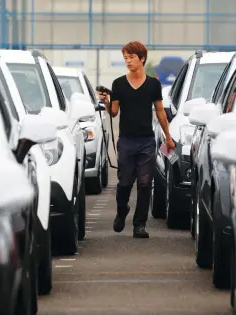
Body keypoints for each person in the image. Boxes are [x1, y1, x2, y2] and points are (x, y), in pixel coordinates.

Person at [97, 41, 175, 239]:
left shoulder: (153, 84)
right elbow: (114, 113)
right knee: (124, 183)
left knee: (144, 183)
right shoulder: (119, 84)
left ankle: (139, 224)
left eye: (131, 57)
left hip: (146, 141)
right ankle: (122, 210)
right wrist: (106, 102)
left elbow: (160, 112)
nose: (128, 61)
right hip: (126, 141)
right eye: (125, 58)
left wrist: (168, 137)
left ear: (142, 59)